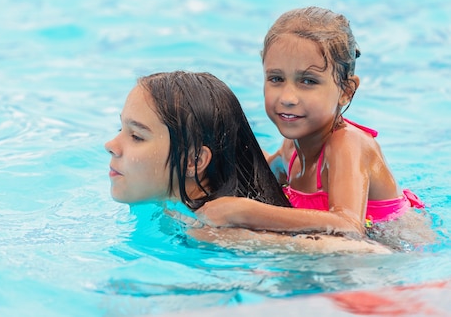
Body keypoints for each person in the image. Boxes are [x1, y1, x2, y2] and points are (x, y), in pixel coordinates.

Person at [196, 7, 431, 246]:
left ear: (346, 91)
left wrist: (244, 212)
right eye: (276, 79)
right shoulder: (291, 147)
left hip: (398, 248)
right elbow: (260, 175)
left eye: (308, 81)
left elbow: (349, 225)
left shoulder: (347, 144)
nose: (288, 97)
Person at [105, 70, 392, 254]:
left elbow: (369, 254)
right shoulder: (175, 207)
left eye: (137, 136)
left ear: (194, 160)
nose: (111, 145)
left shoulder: (222, 233)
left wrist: (240, 233)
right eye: (121, 129)